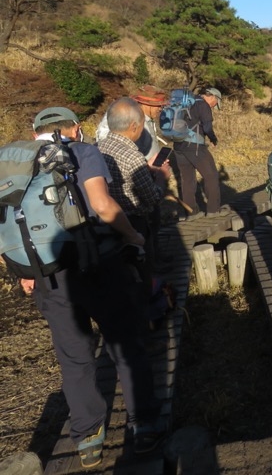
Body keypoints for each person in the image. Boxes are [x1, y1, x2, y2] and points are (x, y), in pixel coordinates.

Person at [16, 107, 166, 467]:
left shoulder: (13, 162)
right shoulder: (82, 151)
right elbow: (101, 204)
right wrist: (134, 236)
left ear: (33, 131)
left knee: (73, 356)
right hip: (98, 265)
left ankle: (87, 437)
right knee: (124, 342)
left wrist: (24, 268)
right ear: (75, 129)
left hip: (46, 275)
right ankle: (143, 424)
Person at [97, 98, 171, 325]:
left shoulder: (97, 148)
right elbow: (151, 198)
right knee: (143, 275)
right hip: (134, 224)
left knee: (121, 278)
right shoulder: (132, 156)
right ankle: (150, 321)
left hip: (107, 225)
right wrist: (161, 180)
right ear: (134, 127)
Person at [172, 87, 223, 216]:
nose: (213, 107)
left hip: (178, 146)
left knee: (187, 180)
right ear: (212, 97)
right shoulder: (203, 105)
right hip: (194, 146)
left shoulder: (185, 102)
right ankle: (213, 210)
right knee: (211, 175)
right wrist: (213, 139)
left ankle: (191, 213)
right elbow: (207, 127)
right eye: (215, 103)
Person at [95, 85, 168, 161]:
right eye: (158, 105)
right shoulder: (136, 122)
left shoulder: (144, 118)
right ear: (146, 104)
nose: (160, 109)